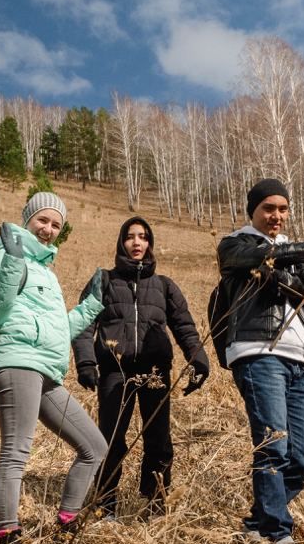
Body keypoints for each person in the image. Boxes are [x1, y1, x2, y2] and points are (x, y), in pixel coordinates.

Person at [215, 178, 304, 544]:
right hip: (257, 352)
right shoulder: (235, 244)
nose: (277, 215)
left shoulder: (287, 250)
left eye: (283, 209)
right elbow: (254, 259)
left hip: (297, 358)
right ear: (253, 211)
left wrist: (285, 276)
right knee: (273, 446)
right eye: (269, 208)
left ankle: (259, 521)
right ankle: (277, 532)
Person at [0, 192, 107, 544]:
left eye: (56, 224)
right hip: (18, 361)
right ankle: (8, 535)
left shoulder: (48, 274)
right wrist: (12, 263)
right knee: (16, 451)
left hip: (47, 370)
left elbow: (58, 330)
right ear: (27, 219)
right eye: (43, 221)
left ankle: (67, 523)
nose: (48, 229)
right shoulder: (6, 254)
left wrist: (92, 305)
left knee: (94, 447)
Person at [73, 216, 209, 519]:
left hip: (155, 372)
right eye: (131, 237)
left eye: (144, 237)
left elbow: (185, 327)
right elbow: (83, 324)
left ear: (150, 243)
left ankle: (156, 503)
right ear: (122, 242)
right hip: (114, 371)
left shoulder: (164, 285)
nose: (137, 242)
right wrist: (85, 362)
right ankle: (106, 503)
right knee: (110, 439)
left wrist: (198, 359)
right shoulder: (104, 280)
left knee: (158, 439)